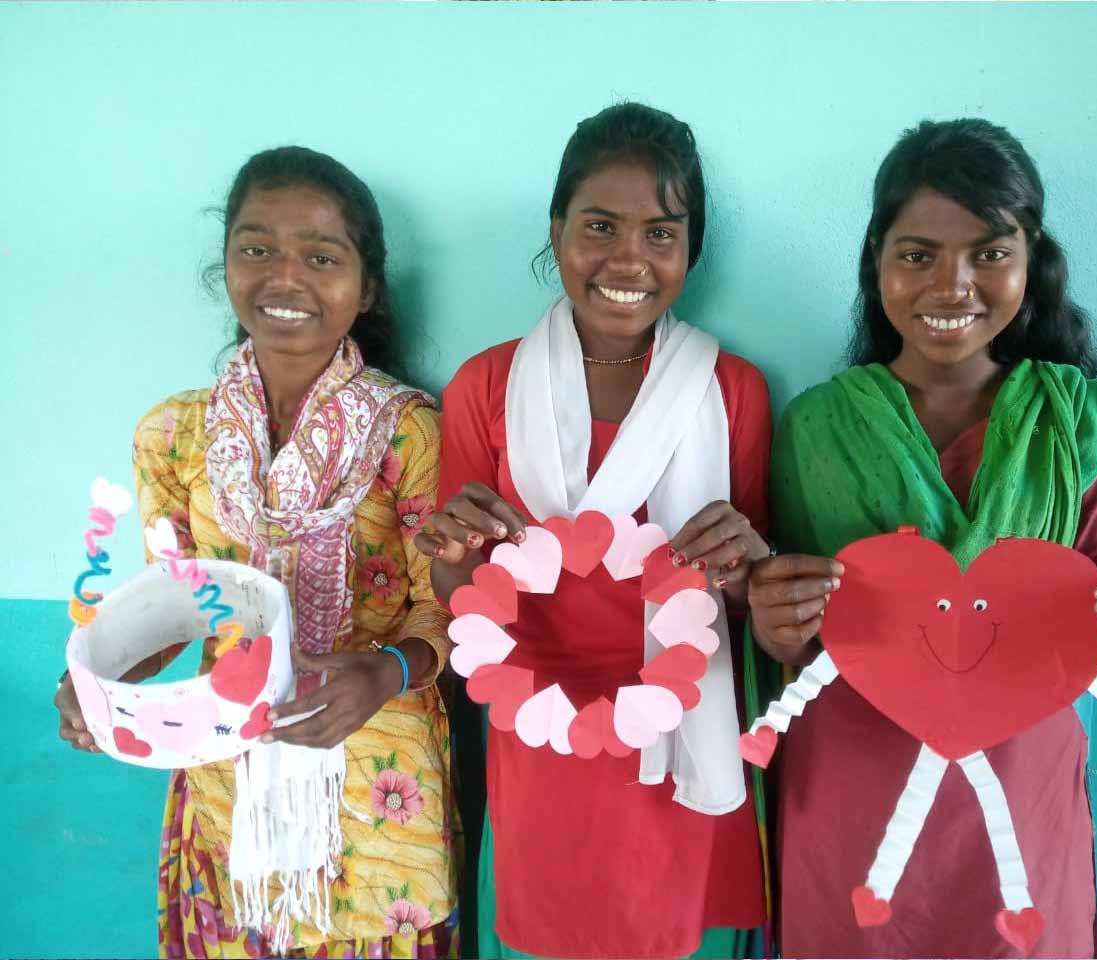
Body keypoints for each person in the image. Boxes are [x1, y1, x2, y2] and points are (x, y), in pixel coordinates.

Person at [747, 119, 1097, 958]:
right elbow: (795, 645)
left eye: (989, 253)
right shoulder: (816, 427)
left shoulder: (1077, 426)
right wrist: (776, 625)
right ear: (877, 260)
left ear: (1032, 259)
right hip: (854, 805)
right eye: (918, 254)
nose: (952, 285)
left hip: (1018, 810)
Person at [53, 146, 459, 959]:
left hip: (378, 777)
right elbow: (174, 603)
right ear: (226, 264)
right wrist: (101, 681)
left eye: (322, 256)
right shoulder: (174, 435)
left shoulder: (409, 431)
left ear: (366, 286)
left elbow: (449, 609)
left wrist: (387, 672)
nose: (286, 278)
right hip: (224, 768)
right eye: (257, 248)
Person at [421, 102, 769, 959]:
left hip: (684, 730)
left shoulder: (730, 390)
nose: (628, 260)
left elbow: (748, 601)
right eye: (600, 226)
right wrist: (453, 550)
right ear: (558, 232)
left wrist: (742, 561)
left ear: (691, 249)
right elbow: (460, 598)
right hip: (539, 728)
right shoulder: (486, 386)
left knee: (673, 934)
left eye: (661, 233)